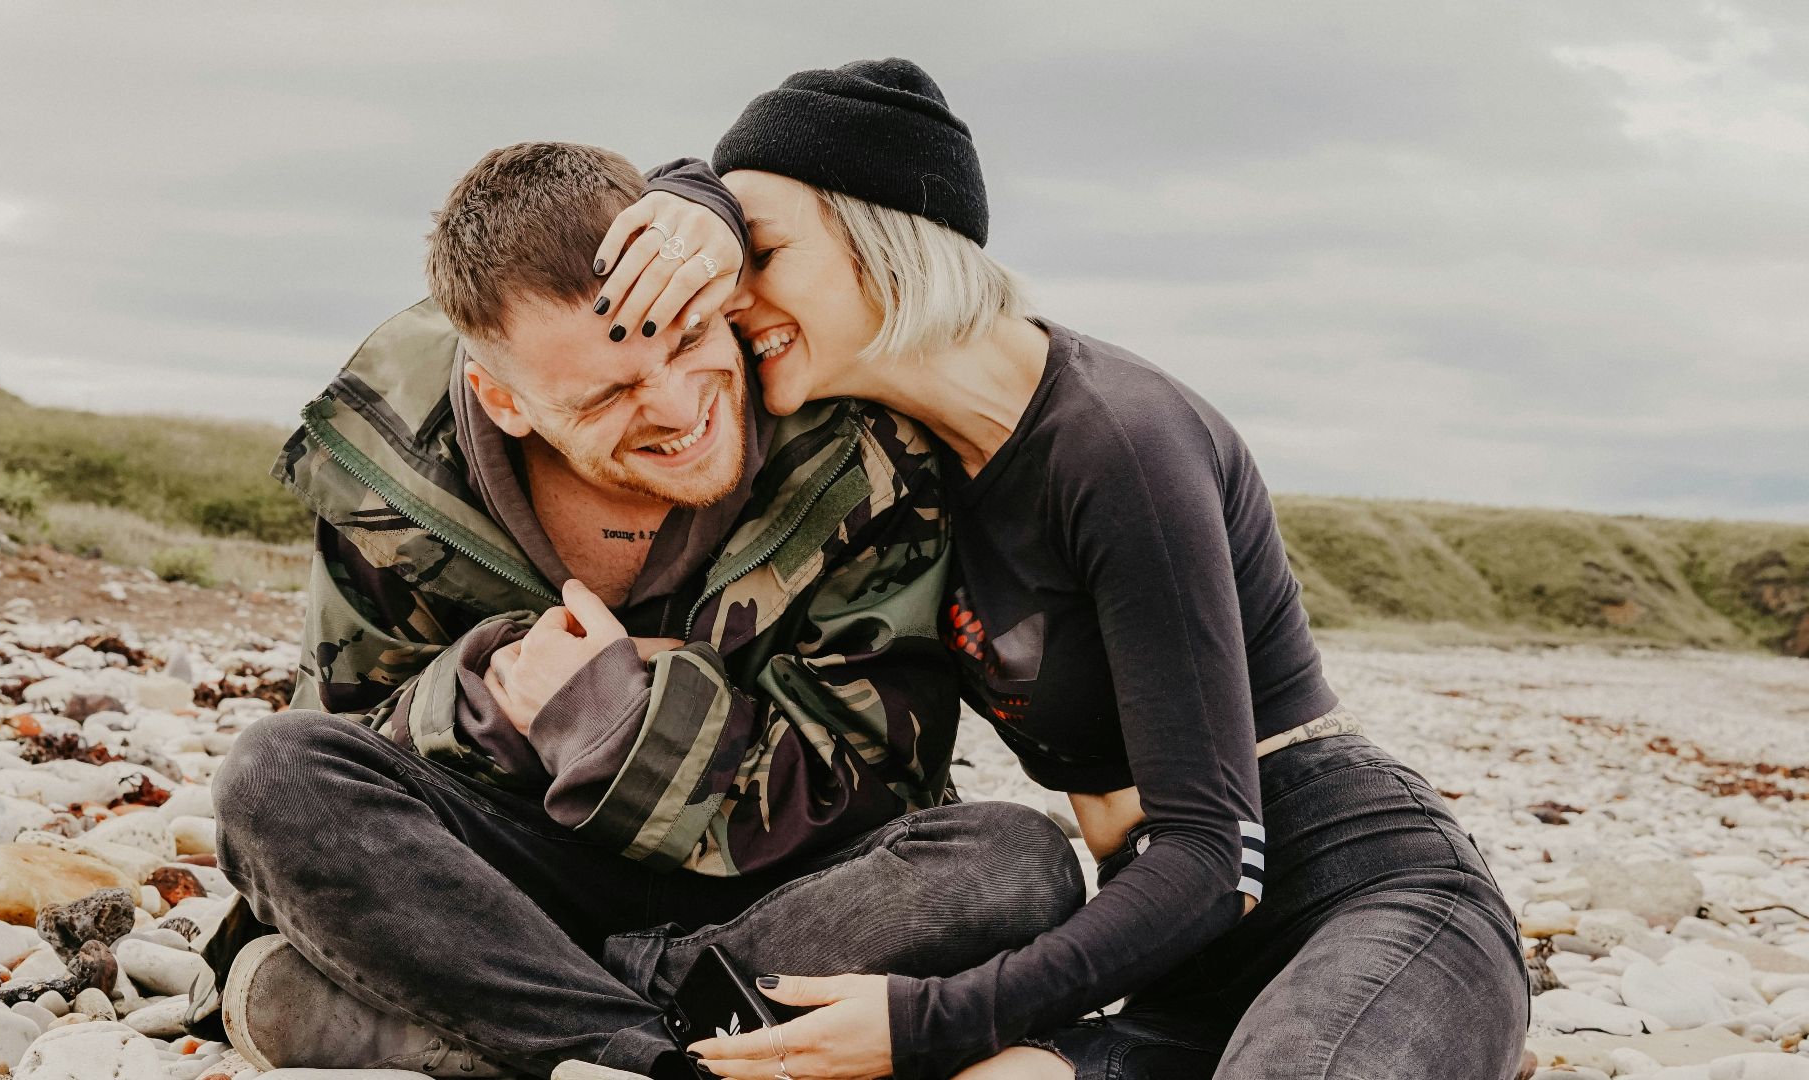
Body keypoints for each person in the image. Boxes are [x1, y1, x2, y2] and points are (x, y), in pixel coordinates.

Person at [595, 59, 1529, 1080]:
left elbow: (1217, 856)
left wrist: (928, 1019)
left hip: (1363, 899)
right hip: (1180, 964)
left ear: (885, 236)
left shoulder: (1118, 441)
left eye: (762, 252)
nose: (730, 298)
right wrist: (689, 198)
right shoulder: (898, 465)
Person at [207, 141, 1084, 1078]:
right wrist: (483, 696)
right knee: (272, 774)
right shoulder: (392, 474)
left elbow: (872, 778)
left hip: (778, 890)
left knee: (1018, 864)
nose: (678, 406)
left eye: (690, 339)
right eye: (612, 392)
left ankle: (523, 1029)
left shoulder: (850, 449)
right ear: (502, 400)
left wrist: (620, 717)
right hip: (512, 877)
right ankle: (671, 1053)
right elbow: (351, 753)